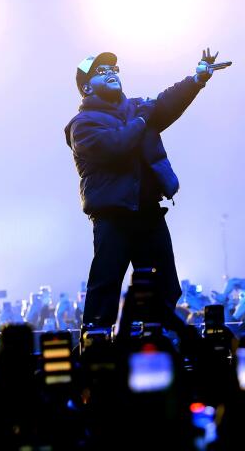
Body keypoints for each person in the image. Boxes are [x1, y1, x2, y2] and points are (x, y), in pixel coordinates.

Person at [65, 48, 229, 327]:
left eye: (114, 70)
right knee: (105, 286)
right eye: (101, 72)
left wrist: (197, 79)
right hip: (114, 217)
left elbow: (166, 103)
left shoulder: (135, 108)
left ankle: (156, 334)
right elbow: (114, 146)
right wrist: (141, 120)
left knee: (165, 286)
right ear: (87, 87)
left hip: (149, 212)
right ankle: (96, 341)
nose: (112, 74)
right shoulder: (82, 125)